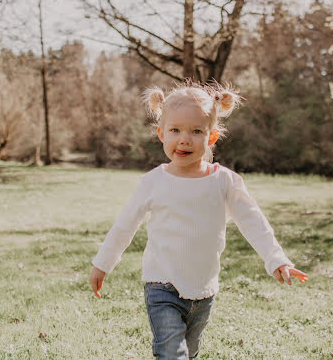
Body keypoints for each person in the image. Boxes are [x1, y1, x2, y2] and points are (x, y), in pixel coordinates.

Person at [90, 81, 308, 360]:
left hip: (204, 290)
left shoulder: (224, 181)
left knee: (189, 353)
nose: (184, 139)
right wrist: (102, 263)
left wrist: (276, 259)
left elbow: (253, 221)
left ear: (212, 136)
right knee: (172, 353)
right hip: (162, 285)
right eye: (175, 130)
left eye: (196, 131)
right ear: (161, 134)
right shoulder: (154, 182)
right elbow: (125, 224)